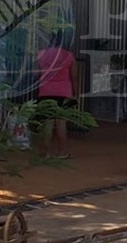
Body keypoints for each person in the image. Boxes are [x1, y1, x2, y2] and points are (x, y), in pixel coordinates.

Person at [35, 31, 78, 159]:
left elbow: (36, 74)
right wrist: (76, 93)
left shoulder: (41, 54)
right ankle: (62, 151)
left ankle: (45, 152)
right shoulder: (69, 56)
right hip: (64, 92)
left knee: (47, 122)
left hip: (45, 91)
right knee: (61, 123)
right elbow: (74, 77)